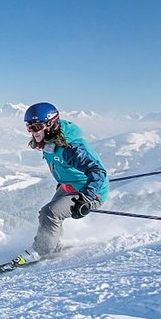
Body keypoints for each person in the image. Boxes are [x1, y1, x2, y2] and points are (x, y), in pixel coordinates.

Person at [13, 102, 109, 265]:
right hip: (69, 186)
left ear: (50, 125)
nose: (33, 132)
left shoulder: (71, 147)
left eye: (36, 127)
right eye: (29, 127)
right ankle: (52, 245)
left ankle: (40, 251)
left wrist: (87, 197)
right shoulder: (50, 140)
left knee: (50, 213)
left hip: (91, 191)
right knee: (45, 214)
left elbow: (98, 171)